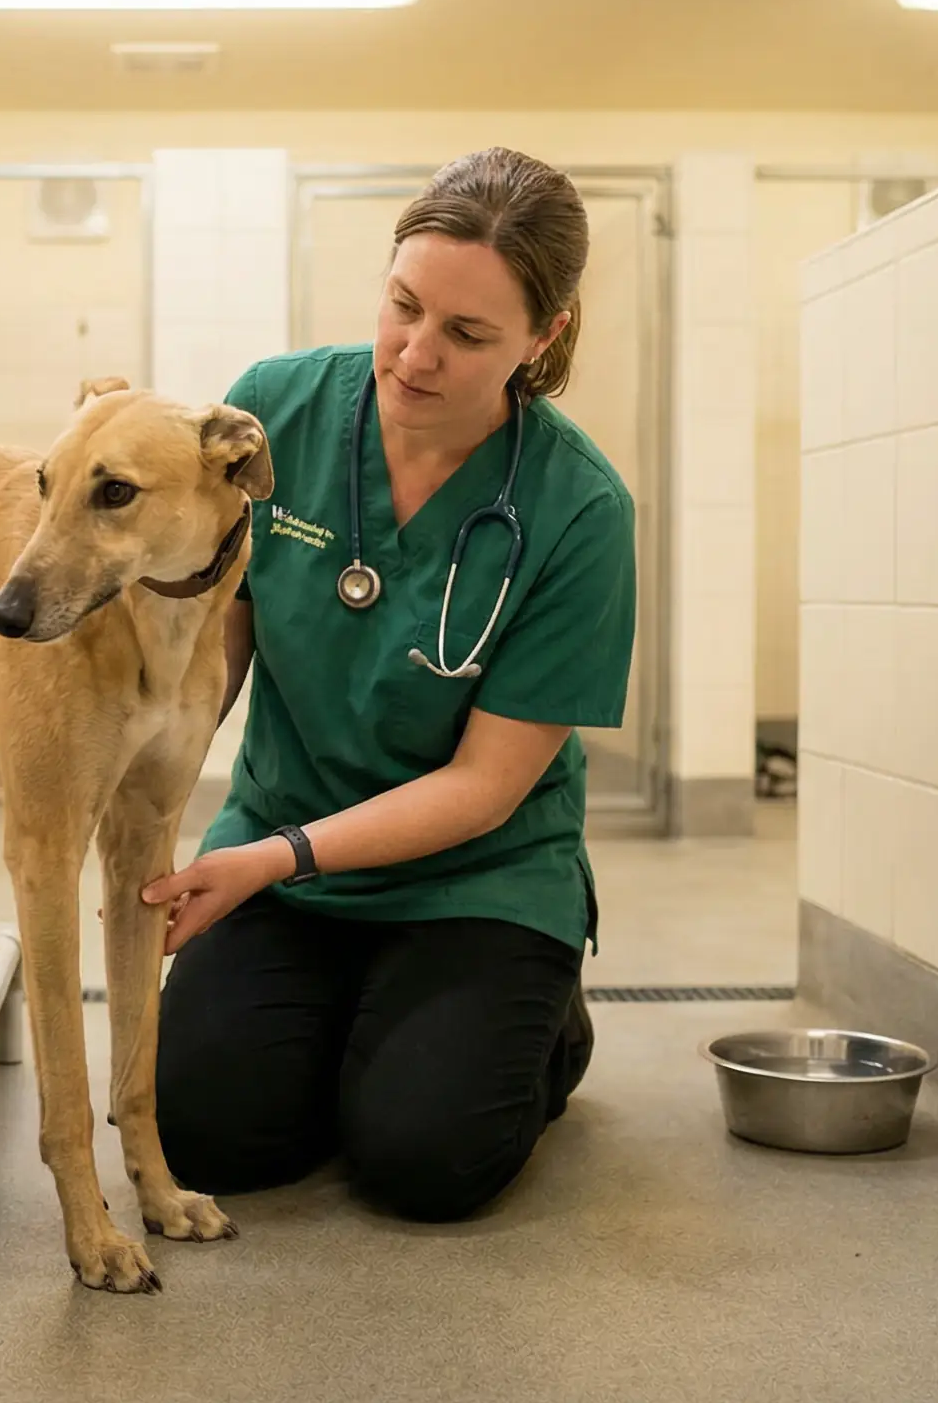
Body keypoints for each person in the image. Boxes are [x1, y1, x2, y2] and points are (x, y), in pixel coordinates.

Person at [140, 146, 638, 1224]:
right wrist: (145, 792)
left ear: (542, 338)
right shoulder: (276, 411)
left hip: (477, 873)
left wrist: (274, 857)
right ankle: (372, 1024)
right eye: (403, 306)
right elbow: (210, 650)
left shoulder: (577, 509)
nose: (414, 355)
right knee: (211, 1132)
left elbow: (485, 788)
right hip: (280, 848)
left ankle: (541, 1025)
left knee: (424, 1163)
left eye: (467, 335)